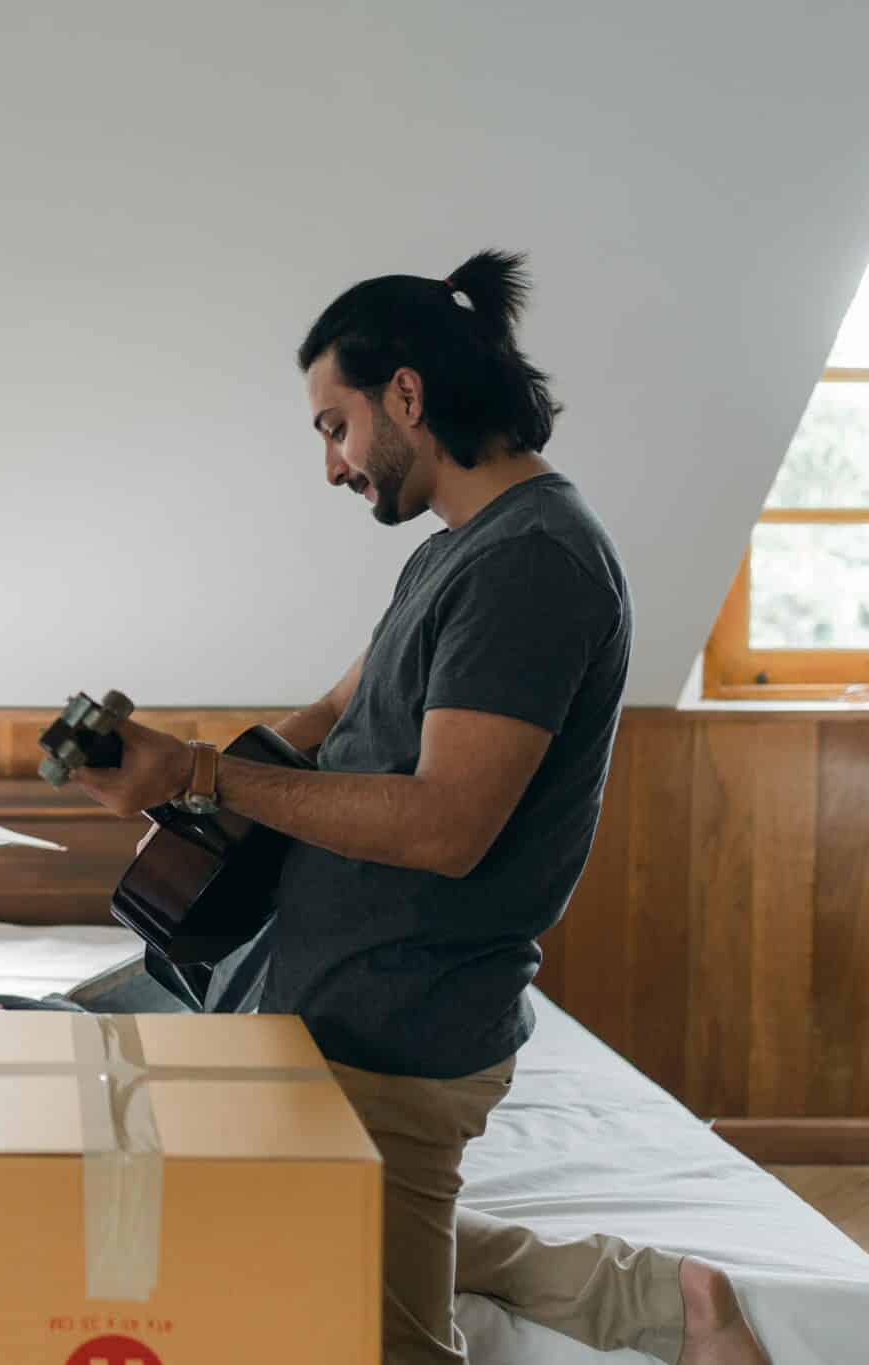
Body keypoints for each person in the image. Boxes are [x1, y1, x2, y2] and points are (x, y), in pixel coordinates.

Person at [73, 251, 766, 1365]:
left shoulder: (533, 563)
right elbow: (330, 712)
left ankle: (673, 1313)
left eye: (332, 427)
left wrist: (200, 779)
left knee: (378, 1340)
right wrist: (159, 776)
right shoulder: (451, 556)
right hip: (331, 1008)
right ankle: (656, 1298)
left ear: (406, 394)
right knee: (311, 1229)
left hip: (400, 1028)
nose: (333, 465)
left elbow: (446, 826)